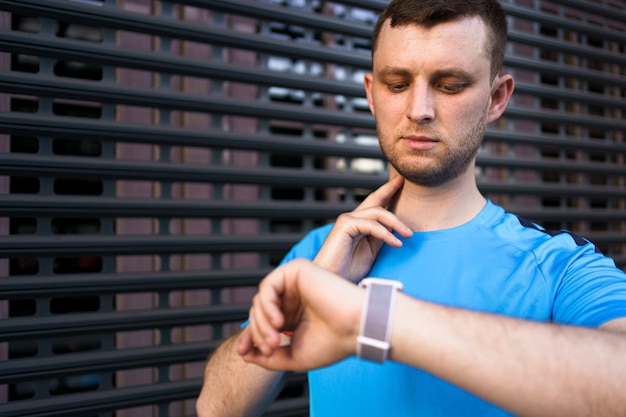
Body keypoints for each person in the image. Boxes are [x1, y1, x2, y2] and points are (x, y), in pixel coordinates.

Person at [196, 0, 626, 416]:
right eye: (397, 84)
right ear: (370, 93)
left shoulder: (558, 266)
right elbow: (215, 407)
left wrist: (371, 319)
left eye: (449, 84)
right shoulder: (322, 252)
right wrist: (293, 319)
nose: (418, 110)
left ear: (497, 98)